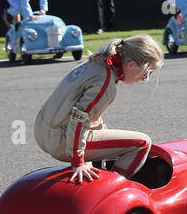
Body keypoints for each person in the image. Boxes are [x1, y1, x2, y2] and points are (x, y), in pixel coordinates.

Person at [34, 35, 165, 184]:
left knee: (105, 132)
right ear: (131, 64)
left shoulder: (95, 64)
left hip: (42, 131)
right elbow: (79, 119)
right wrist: (78, 162)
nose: (145, 79)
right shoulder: (104, 82)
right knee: (141, 143)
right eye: (147, 73)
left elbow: (87, 115)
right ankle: (113, 186)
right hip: (60, 141)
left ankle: (99, 176)